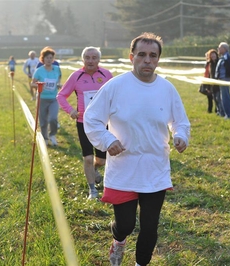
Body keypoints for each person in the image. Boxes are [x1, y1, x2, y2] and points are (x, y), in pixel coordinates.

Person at [83, 32, 190, 266]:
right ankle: (118, 241)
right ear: (132, 57)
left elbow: (180, 122)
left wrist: (180, 136)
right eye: (142, 55)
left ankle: (141, 263)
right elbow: (91, 118)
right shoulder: (115, 86)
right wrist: (107, 140)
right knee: (126, 225)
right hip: (124, 169)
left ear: (159, 59)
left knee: (150, 227)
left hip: (155, 170)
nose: (147, 60)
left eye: (153, 55)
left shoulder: (167, 89)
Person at [57, 47, 113, 199]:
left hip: (103, 122)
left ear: (99, 60)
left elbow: (116, 94)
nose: (90, 60)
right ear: (83, 60)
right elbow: (61, 96)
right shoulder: (76, 76)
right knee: (88, 157)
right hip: (84, 122)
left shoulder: (106, 75)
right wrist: (71, 111)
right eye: (87, 57)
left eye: (94, 57)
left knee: (101, 160)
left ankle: (95, 169)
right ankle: (92, 191)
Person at [31, 47, 62, 146]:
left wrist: (59, 85)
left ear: (53, 59)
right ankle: (45, 138)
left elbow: (58, 80)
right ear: (42, 59)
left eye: (51, 58)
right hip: (42, 99)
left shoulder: (57, 69)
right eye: (47, 58)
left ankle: (52, 134)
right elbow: (32, 84)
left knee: (53, 118)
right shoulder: (39, 71)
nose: (49, 60)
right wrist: (39, 85)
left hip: (53, 99)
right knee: (43, 121)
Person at [215, 42, 230, 119]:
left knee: (225, 97)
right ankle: (223, 113)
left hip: (225, 79)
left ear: (224, 49)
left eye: (220, 48)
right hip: (221, 79)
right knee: (222, 97)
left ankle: (229, 115)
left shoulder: (227, 57)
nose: (218, 49)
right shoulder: (223, 57)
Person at [204, 49, 221, 115]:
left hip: (218, 82)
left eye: (214, 54)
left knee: (218, 97)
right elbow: (207, 73)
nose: (213, 56)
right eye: (211, 55)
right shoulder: (209, 63)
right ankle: (211, 110)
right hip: (210, 82)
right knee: (211, 97)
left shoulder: (219, 62)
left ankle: (218, 110)